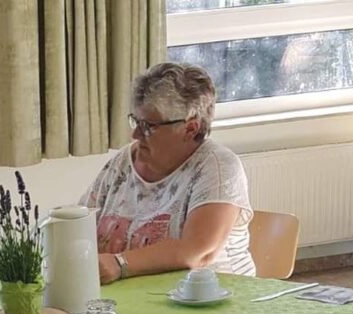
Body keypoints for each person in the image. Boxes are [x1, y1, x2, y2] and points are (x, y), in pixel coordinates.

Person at [80, 62, 255, 283]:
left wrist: (119, 263)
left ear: (190, 128)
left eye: (148, 126)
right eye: (135, 121)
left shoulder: (218, 167)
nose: (135, 134)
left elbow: (197, 252)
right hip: (134, 298)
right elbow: (79, 223)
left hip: (211, 301)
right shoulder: (124, 162)